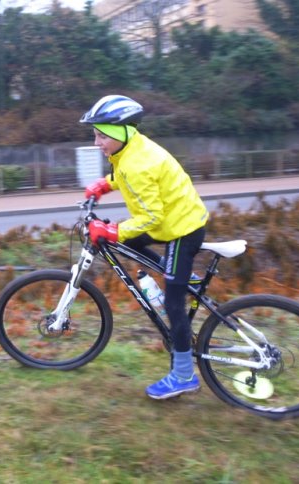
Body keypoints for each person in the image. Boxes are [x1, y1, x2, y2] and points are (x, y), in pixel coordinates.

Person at [80, 94, 209, 400]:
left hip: (182, 230)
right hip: (175, 221)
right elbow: (125, 173)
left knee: (174, 304)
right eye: (95, 135)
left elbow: (151, 217)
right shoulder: (131, 147)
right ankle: (179, 275)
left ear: (120, 131)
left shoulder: (138, 161)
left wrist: (111, 230)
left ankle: (183, 376)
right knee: (131, 240)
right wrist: (105, 184)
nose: (97, 142)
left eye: (100, 135)